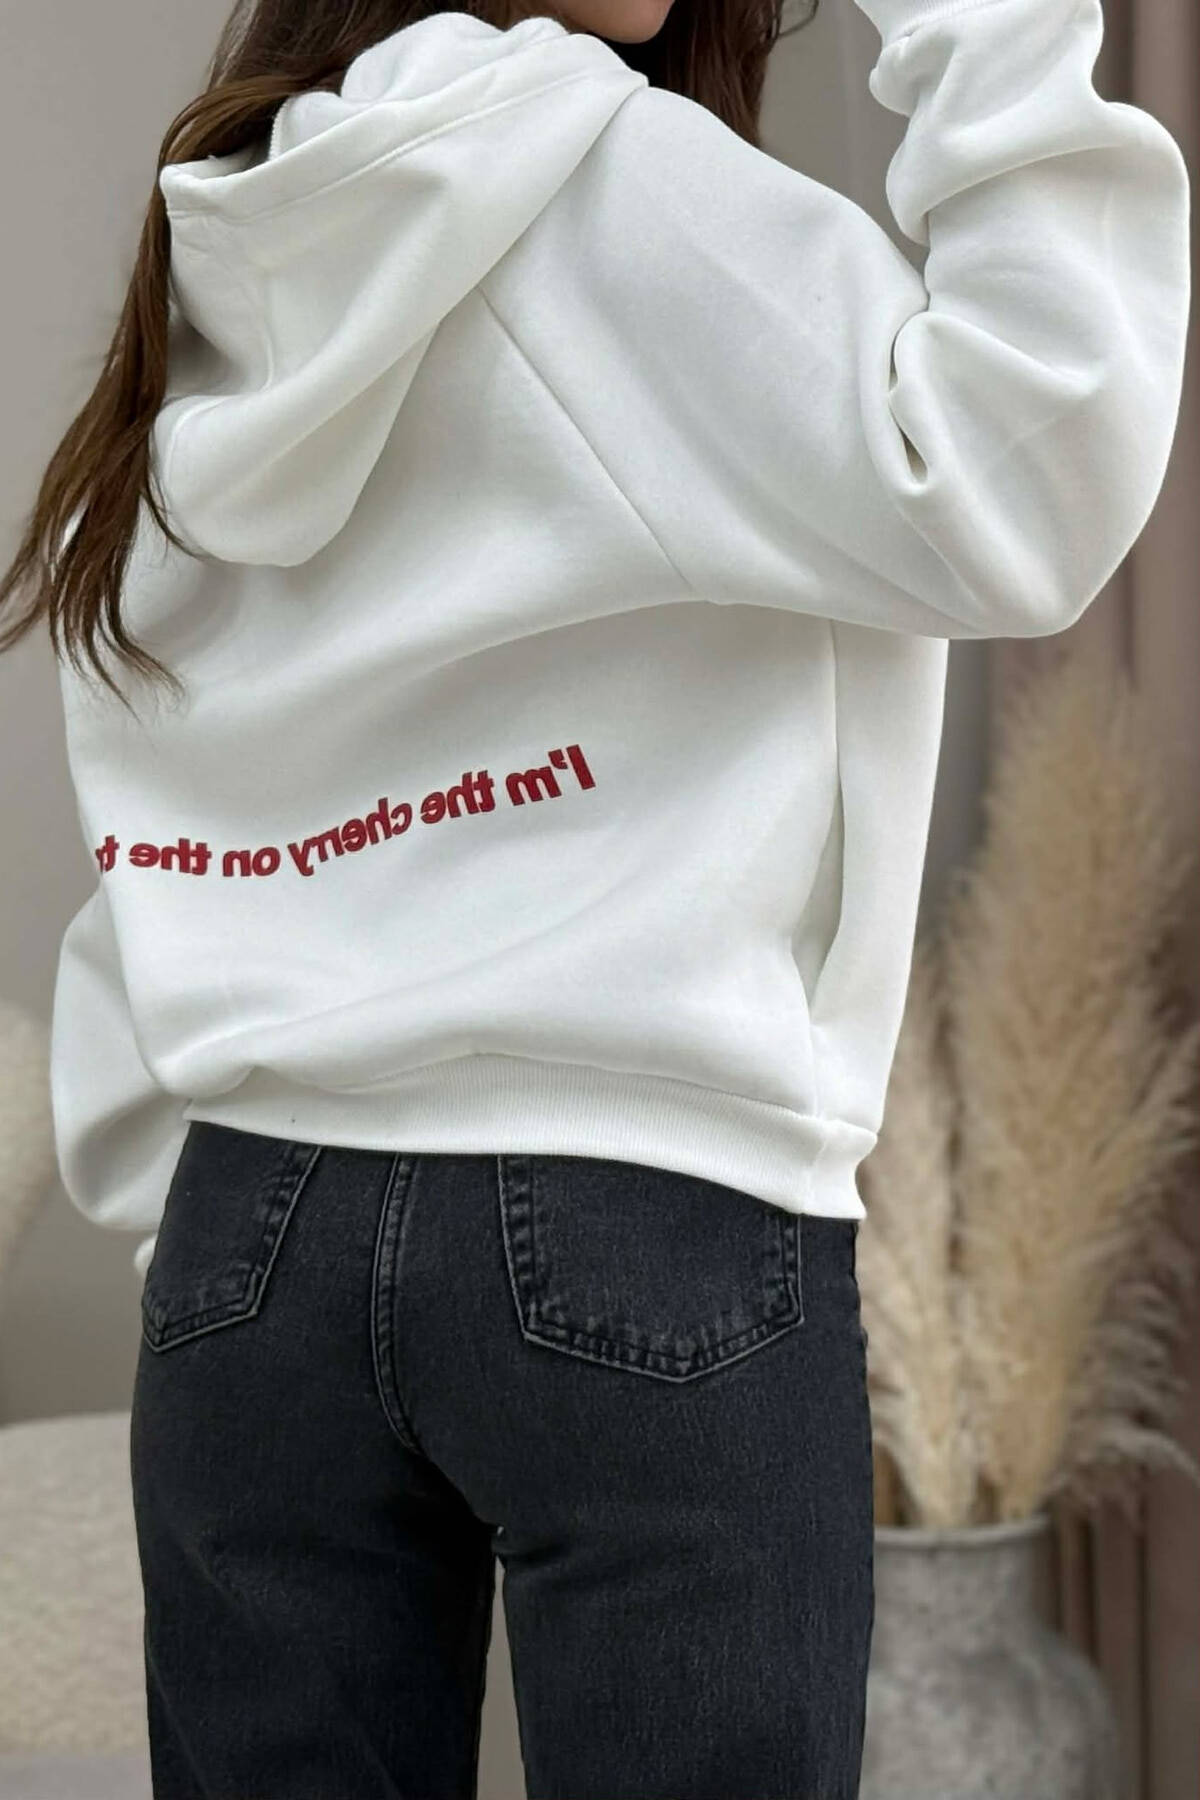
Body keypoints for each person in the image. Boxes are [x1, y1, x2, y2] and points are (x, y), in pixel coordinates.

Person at [0, 0, 1189, 1793]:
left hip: (253, 1229)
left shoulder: (233, 229)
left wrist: (198, 1211)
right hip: (642, 1198)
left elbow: (167, 760)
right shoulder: (601, 174)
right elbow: (1029, 476)